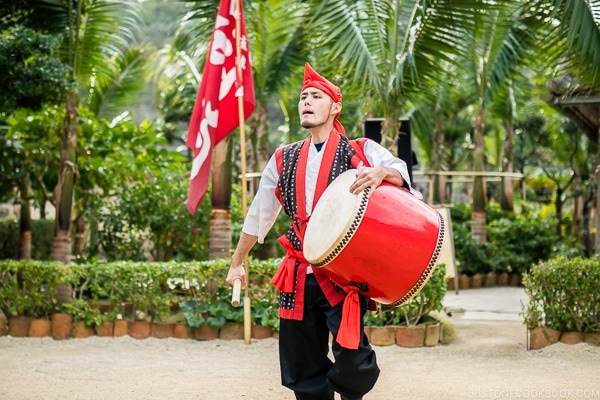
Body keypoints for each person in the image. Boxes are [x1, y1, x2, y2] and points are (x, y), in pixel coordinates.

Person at [226, 62, 415, 400]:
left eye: (316, 96)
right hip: (297, 271)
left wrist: (381, 173)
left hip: (341, 272)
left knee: (354, 358)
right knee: (302, 364)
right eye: (303, 97)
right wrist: (237, 260)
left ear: (335, 107)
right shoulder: (283, 157)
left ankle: (338, 389)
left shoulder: (360, 150)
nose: (307, 102)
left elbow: (401, 170)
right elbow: (260, 214)